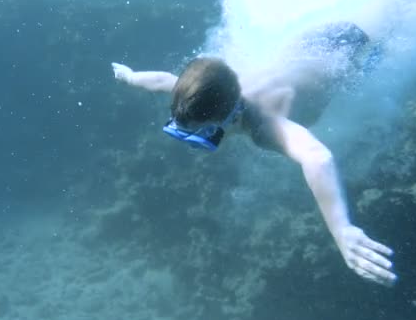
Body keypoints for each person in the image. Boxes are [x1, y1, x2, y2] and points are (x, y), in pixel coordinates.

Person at [111, 22, 396, 286]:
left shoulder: (263, 128)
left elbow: (317, 157)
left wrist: (341, 228)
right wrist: (129, 76)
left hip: (348, 55)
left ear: (232, 119)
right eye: (180, 129)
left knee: (387, 33)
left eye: (202, 134)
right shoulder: (198, 99)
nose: (190, 142)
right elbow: (162, 80)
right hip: (313, 44)